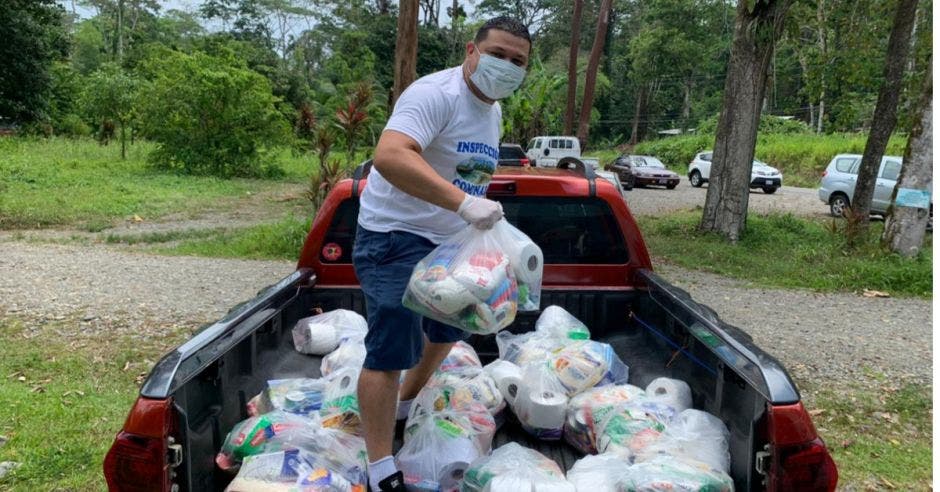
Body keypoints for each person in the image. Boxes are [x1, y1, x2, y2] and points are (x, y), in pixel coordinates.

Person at [352, 16, 531, 492]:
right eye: (498, 55)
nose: (506, 66)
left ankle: (407, 400)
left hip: (448, 242)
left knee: (453, 324)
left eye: (518, 61)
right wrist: (463, 202)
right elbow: (390, 156)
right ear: (471, 51)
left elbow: (466, 174)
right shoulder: (437, 94)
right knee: (393, 340)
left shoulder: (491, 112)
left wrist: (477, 217)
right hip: (394, 234)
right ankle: (379, 464)